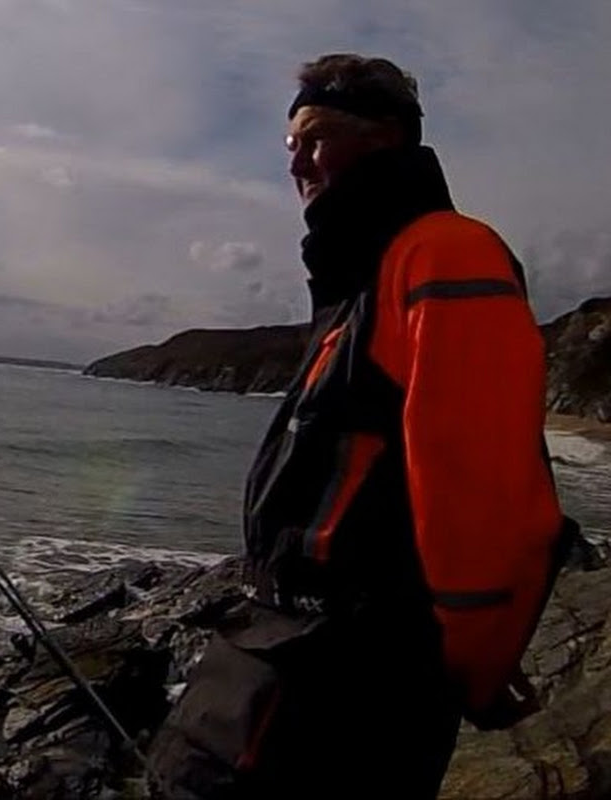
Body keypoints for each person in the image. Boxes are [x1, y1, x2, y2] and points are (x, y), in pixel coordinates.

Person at [151, 53, 571, 799]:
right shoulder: (359, 278)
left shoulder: (446, 252)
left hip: (350, 688)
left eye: (316, 139)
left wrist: (473, 668)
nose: (298, 165)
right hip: (287, 662)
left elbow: (480, 486)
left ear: (384, 140)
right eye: (290, 148)